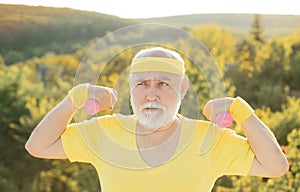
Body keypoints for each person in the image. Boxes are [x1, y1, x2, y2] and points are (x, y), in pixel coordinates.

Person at [25, 47, 289, 192]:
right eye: (142, 84)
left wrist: (239, 110)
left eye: (163, 84)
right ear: (131, 86)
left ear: (183, 88)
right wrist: (77, 96)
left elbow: (275, 167)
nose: (151, 94)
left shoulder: (208, 139)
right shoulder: (105, 132)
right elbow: (38, 146)